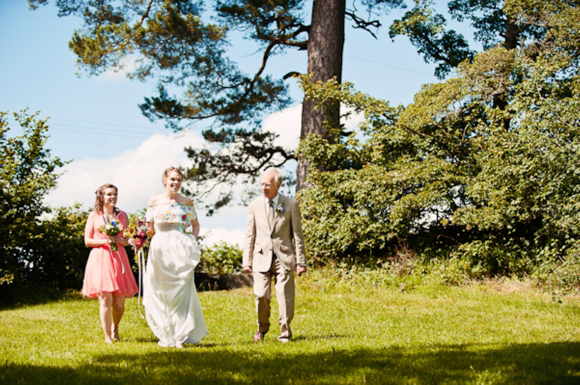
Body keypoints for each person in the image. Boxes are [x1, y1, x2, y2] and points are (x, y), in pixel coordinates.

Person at [143, 167, 208, 348]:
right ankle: (166, 332)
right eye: (172, 179)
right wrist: (142, 239)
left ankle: (180, 334)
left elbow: (195, 225)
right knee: (160, 289)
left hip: (180, 247)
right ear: (164, 180)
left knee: (181, 289)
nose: (175, 183)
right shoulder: (154, 201)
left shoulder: (186, 201)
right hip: (160, 247)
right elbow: (148, 228)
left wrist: (191, 242)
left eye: (179, 180)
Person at [243, 168, 307, 343]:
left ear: (277, 185)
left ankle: (285, 332)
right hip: (261, 257)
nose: (263, 188)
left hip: (284, 257)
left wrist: (301, 262)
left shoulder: (290, 205)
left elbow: (298, 236)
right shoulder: (254, 206)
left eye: (267, 185)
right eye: (262, 184)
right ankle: (261, 328)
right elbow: (250, 235)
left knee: (285, 297)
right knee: (262, 295)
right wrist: (246, 261)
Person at [82, 184, 138, 344]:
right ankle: (107, 337)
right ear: (101, 197)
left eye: (114, 194)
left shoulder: (122, 215)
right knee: (106, 299)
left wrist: (123, 240)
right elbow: (87, 241)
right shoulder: (94, 216)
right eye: (108, 195)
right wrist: (104, 240)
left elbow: (127, 240)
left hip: (118, 258)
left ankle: (115, 327)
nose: (112, 197)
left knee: (119, 303)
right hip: (101, 257)